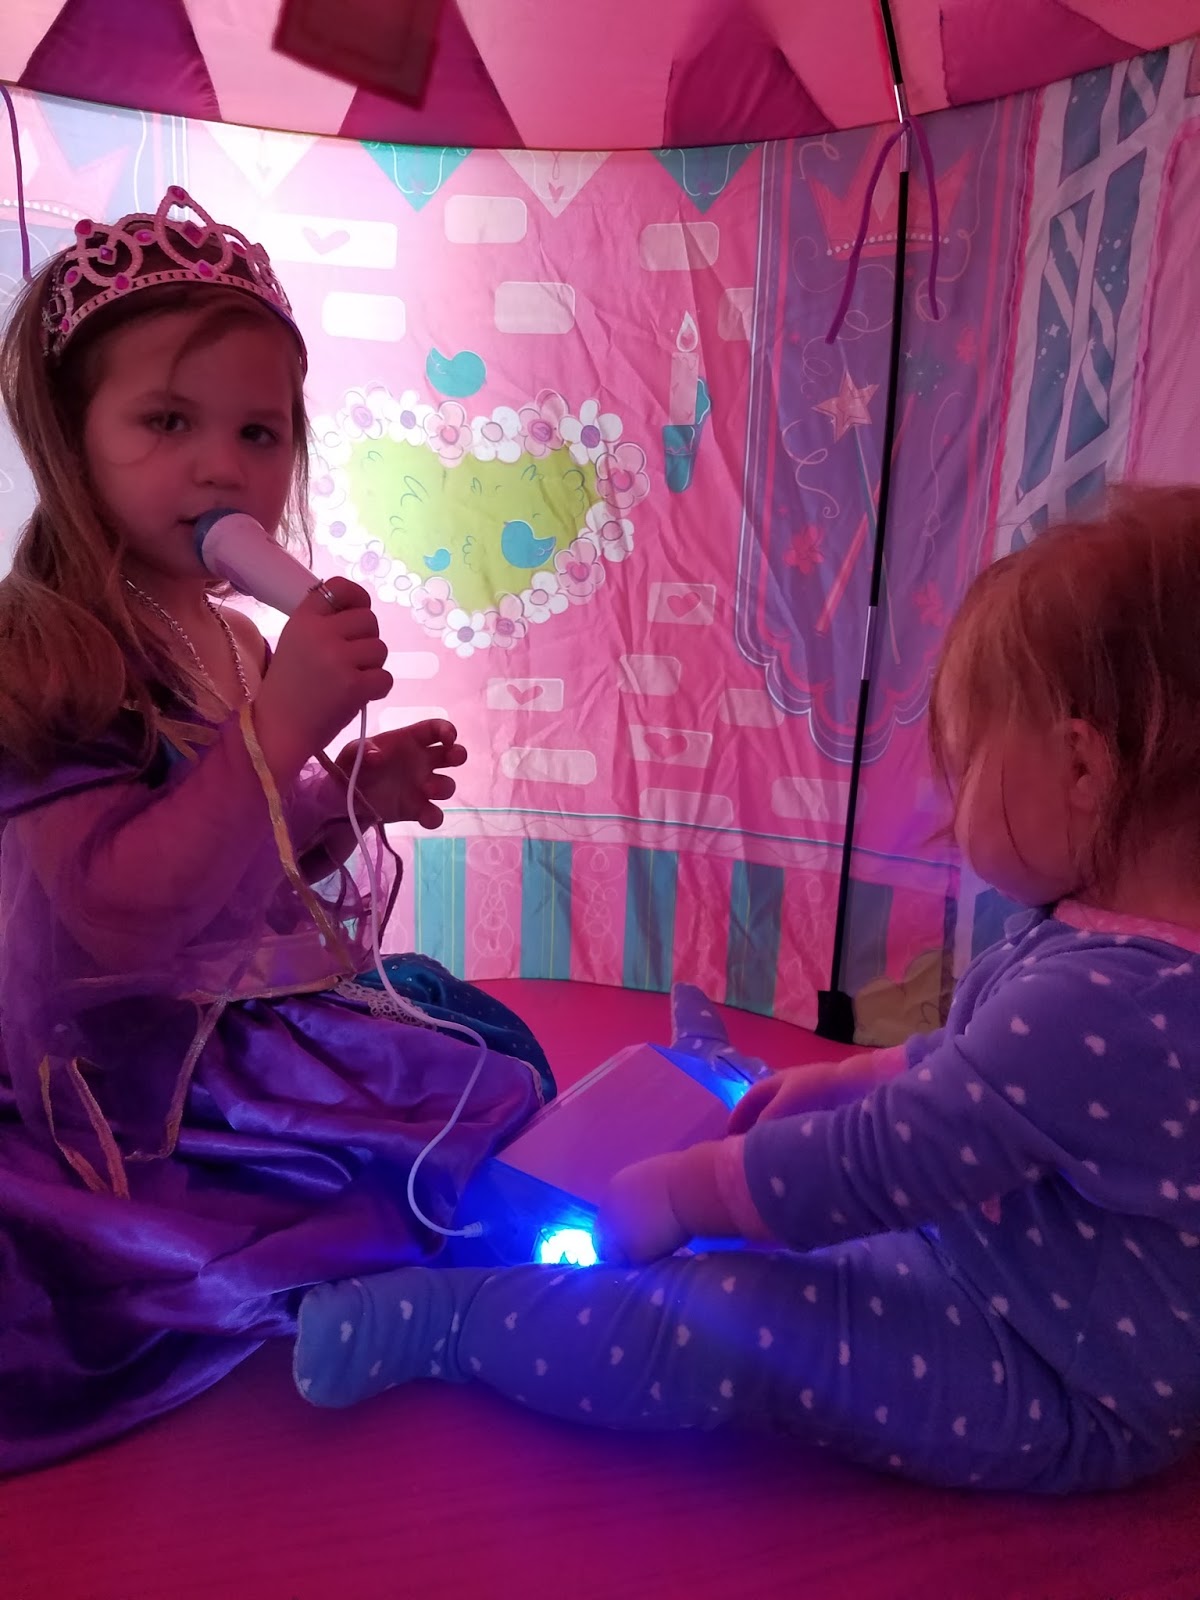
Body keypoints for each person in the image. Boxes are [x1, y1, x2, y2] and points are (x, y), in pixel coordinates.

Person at [296, 486, 1200, 1494]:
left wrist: (691, 1192)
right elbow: (971, 1070)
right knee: (783, 1199)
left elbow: (889, 1159)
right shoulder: (1115, 955)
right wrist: (846, 1079)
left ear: (1080, 766)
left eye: (969, 762)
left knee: (725, 1320)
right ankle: (701, 1097)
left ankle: (451, 1325)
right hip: (995, 1264)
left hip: (1053, 1375)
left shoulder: (1112, 1004)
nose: (951, 806)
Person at [0, 187, 553, 1475]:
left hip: (252, 1007)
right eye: (167, 422)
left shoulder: (235, 638)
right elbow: (119, 914)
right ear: (70, 439)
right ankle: (372, 1307)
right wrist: (288, 720)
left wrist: (345, 794)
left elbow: (244, 863)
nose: (221, 466)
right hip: (149, 1069)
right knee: (448, 1135)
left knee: (497, 1063)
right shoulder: (55, 652)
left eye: (258, 432)